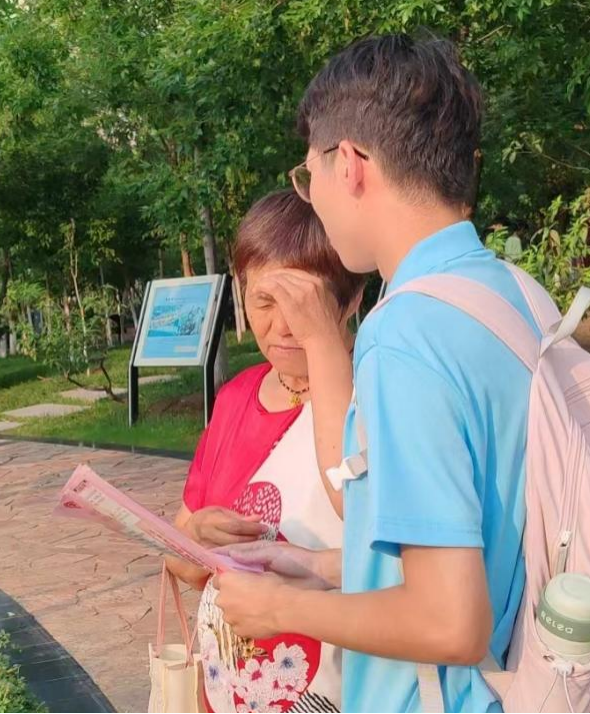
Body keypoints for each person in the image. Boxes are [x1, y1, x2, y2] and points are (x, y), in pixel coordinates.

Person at [214, 34, 539, 713]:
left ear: (351, 165)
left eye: (308, 176)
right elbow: (470, 541)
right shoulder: (512, 296)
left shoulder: (404, 335)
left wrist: (277, 608)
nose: (311, 198)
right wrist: (323, 569)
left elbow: (449, 622)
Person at [165, 189, 365, 713]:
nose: (282, 326)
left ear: (351, 298)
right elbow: (183, 564)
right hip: (226, 686)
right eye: (263, 301)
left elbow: (415, 572)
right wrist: (198, 534)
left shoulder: (374, 397)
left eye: (301, 303)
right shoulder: (236, 398)